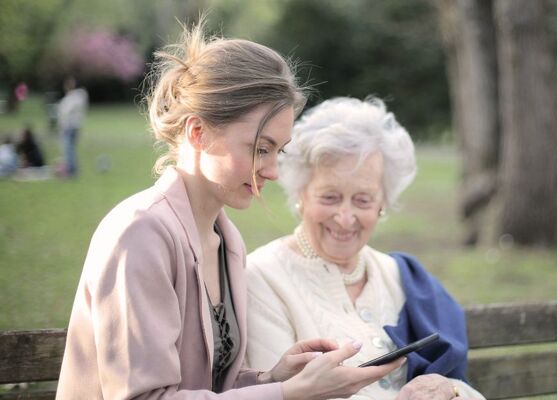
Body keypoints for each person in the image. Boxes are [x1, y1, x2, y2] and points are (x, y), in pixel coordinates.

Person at [56, 22, 401, 400]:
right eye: (259, 148)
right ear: (197, 132)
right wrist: (287, 395)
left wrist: (273, 379)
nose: (271, 170)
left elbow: (208, 386)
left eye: (278, 151)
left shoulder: (226, 240)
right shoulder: (139, 233)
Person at [245, 97, 485, 400]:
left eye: (363, 200)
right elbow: (276, 394)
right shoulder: (262, 278)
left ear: (382, 203)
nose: (345, 219)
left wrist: (449, 388)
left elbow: (461, 386)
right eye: (330, 197)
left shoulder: (401, 276)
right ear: (301, 194)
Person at [56, 76, 88, 177]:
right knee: (70, 149)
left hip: (70, 127)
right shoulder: (74, 97)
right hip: (73, 127)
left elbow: (65, 112)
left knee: (68, 149)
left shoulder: (75, 97)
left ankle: (71, 170)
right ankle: (71, 169)